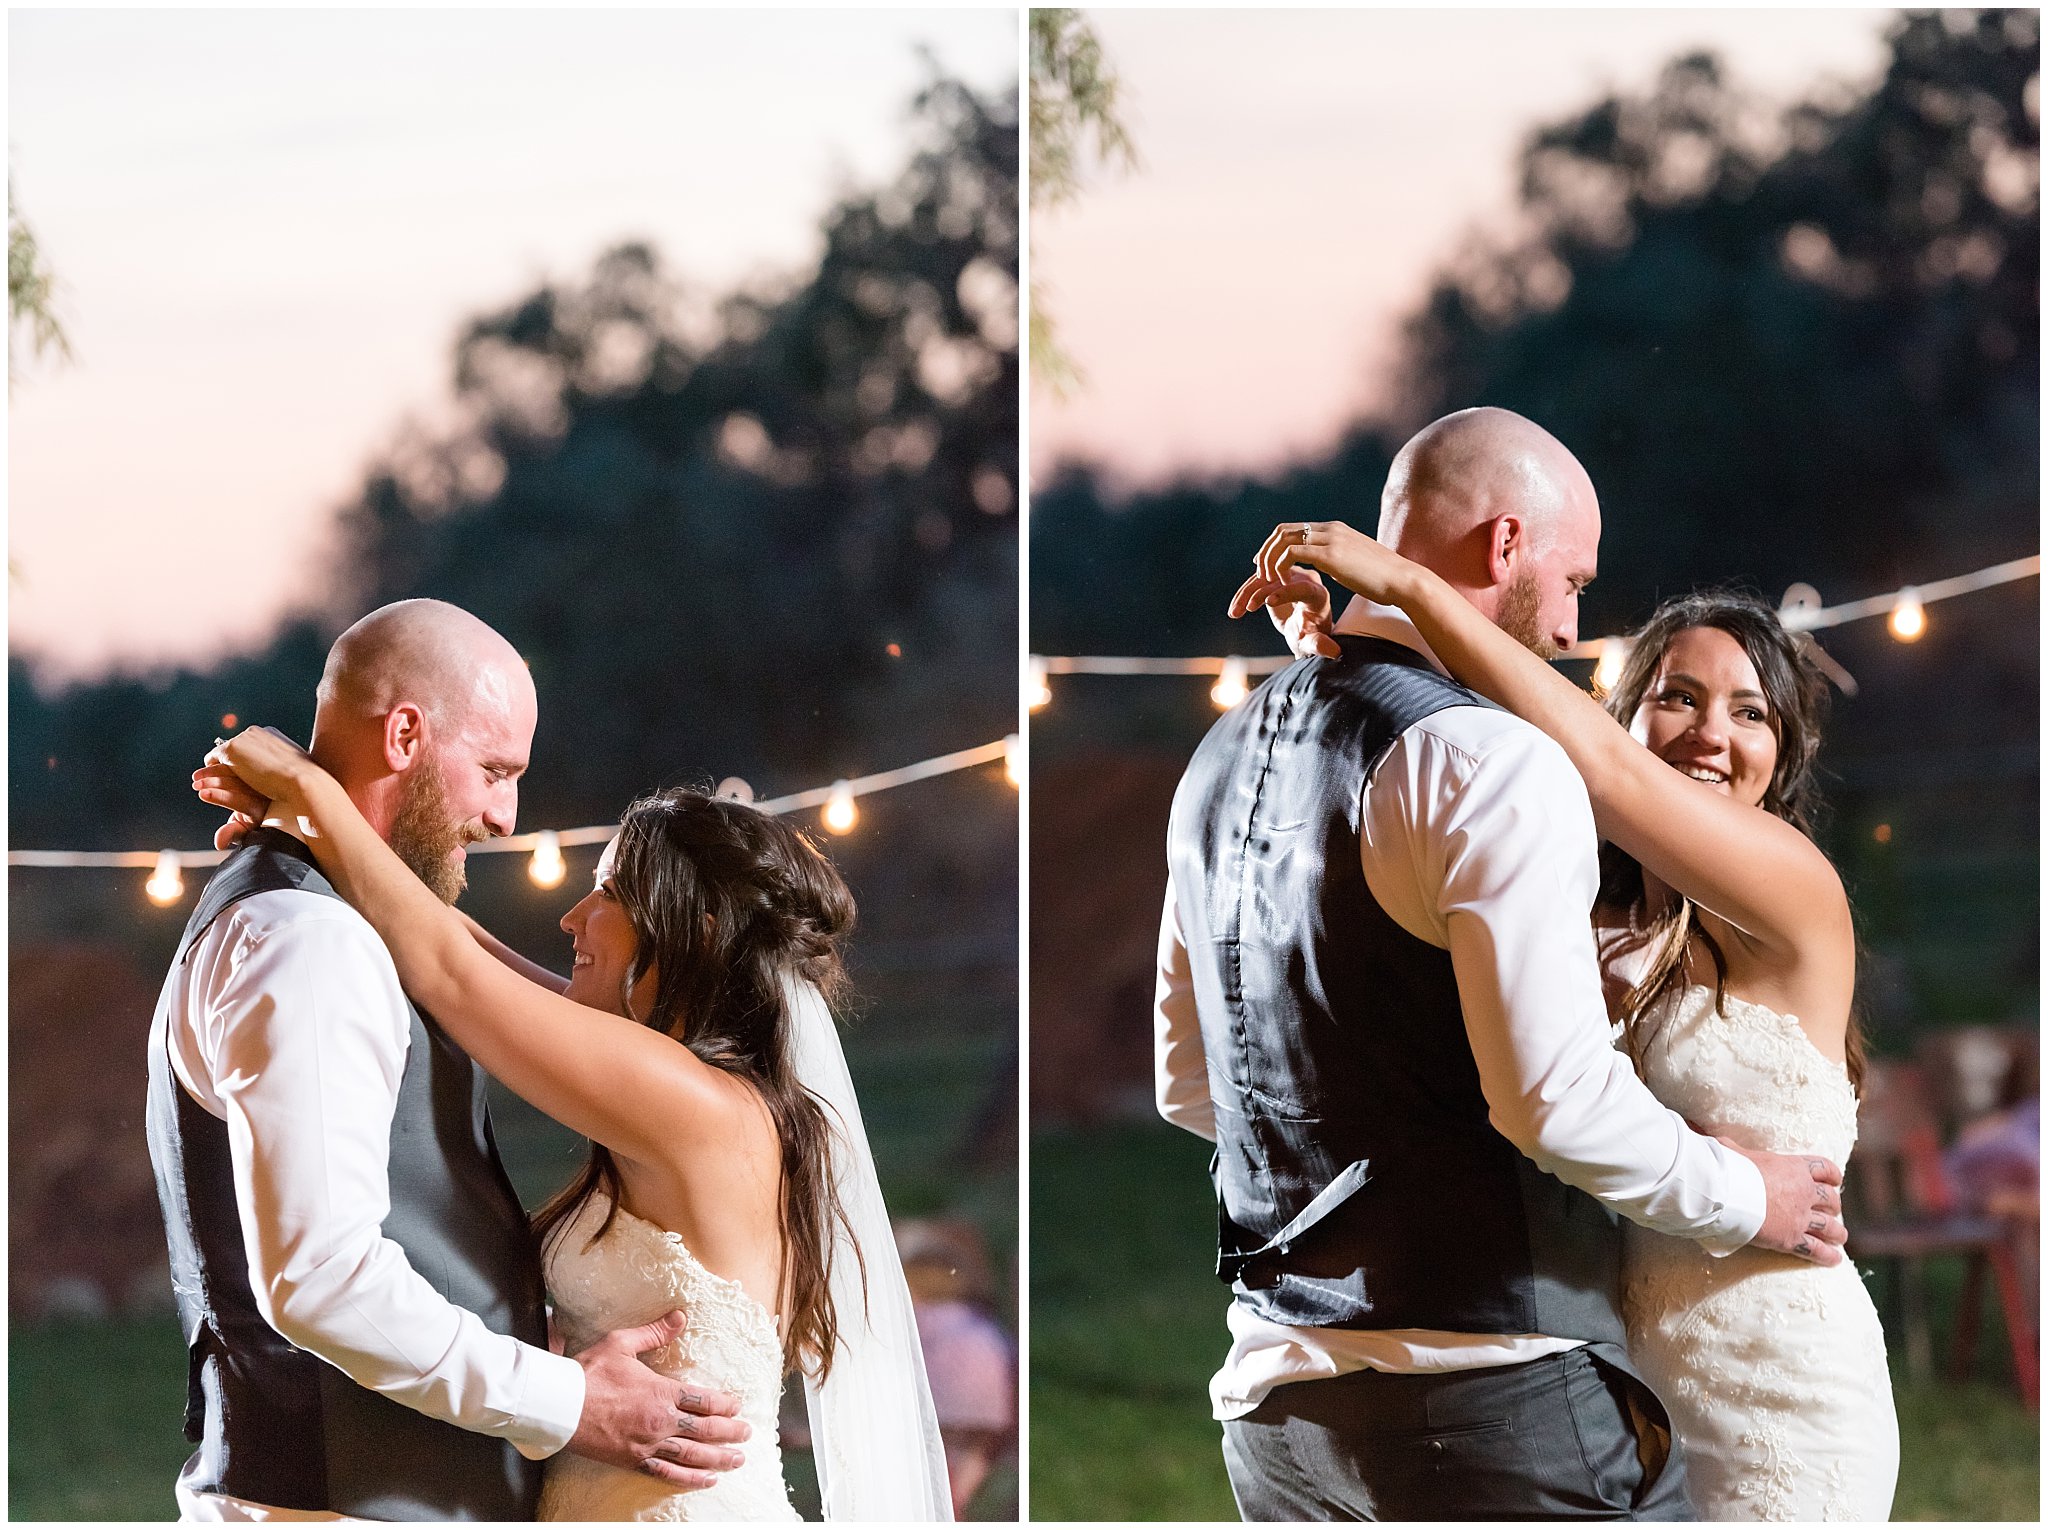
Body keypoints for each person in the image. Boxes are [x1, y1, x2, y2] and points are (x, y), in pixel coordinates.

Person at [1154, 406, 1850, 1522]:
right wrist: (1742, 1197)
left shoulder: (1222, 754)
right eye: (1572, 581)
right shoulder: (1492, 766)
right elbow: (1555, 1107)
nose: (1574, 630)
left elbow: (1191, 1087)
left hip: (1276, 1415)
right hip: (1497, 1409)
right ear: (1503, 546)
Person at [198, 722, 952, 1521]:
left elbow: (449, 973)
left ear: (690, 930)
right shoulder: (686, 1086)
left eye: (611, 894)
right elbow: (460, 944)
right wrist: (307, 828)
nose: (572, 918)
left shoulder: (692, 1102)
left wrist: (308, 788)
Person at [147, 599, 747, 1521]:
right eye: (495, 770)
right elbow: (321, 1279)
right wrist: (567, 1403)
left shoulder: (331, 922)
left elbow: (453, 959)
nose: (506, 816)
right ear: (404, 736)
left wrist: (315, 811)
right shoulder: (311, 943)